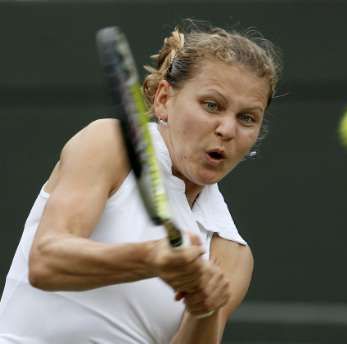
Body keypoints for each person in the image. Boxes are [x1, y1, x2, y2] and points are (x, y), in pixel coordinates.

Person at [0, 20, 281, 343]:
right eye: (211, 105)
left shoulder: (231, 253)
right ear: (164, 99)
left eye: (247, 118)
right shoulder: (111, 143)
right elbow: (46, 263)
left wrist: (204, 308)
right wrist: (150, 258)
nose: (227, 129)